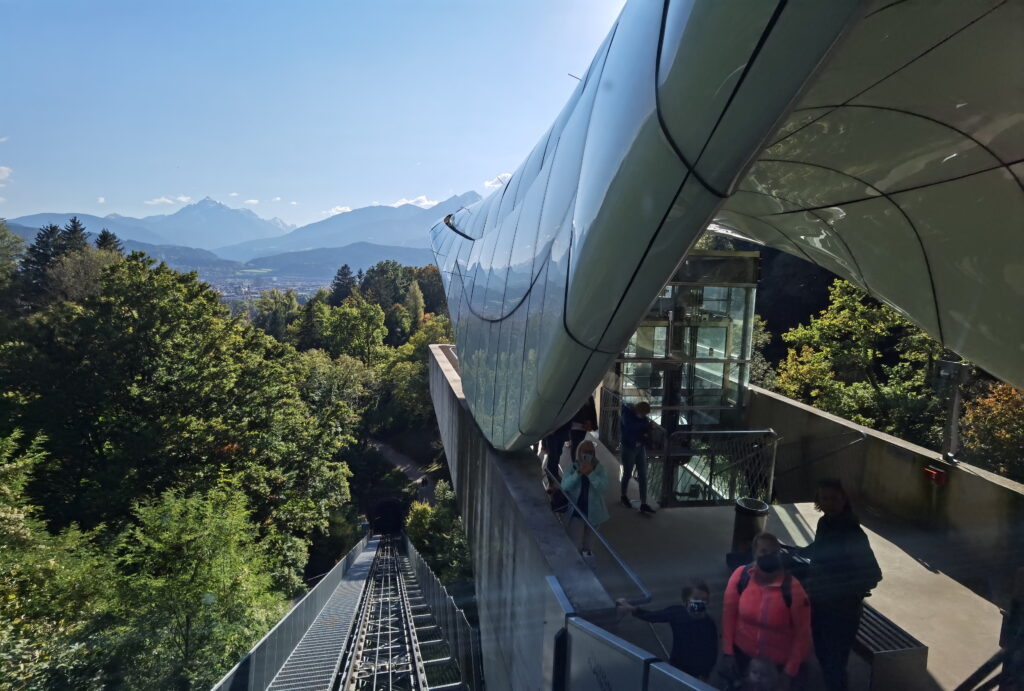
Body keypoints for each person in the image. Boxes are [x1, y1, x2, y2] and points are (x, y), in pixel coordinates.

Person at [801, 479, 882, 691]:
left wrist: (840, 588)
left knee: (834, 664)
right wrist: (797, 552)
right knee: (823, 655)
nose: (829, 503)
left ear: (844, 499)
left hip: (841, 612)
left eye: (834, 498)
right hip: (820, 604)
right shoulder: (825, 523)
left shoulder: (852, 533)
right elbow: (820, 548)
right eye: (824, 498)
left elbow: (873, 574)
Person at [722, 532, 812, 685]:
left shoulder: (792, 588)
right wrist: (728, 652)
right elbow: (729, 615)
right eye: (763, 551)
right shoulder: (740, 576)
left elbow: (802, 634)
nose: (768, 556)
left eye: (773, 552)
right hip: (743, 657)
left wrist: (789, 672)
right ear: (754, 553)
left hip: (777, 666)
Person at [617, 580, 718, 680]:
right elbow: (654, 616)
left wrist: (706, 673)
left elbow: (712, 649)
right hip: (678, 666)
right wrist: (631, 608)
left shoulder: (708, 623)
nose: (700, 603)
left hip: (697, 671)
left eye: (704, 600)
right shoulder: (677, 613)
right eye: (696, 598)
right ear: (685, 601)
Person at [559, 440, 609, 557]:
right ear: (579, 452)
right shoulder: (572, 468)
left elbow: (603, 487)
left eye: (591, 452)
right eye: (585, 451)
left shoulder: (600, 469)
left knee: (589, 547)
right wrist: (578, 473)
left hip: (595, 514)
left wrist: (591, 473)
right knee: (575, 544)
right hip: (577, 512)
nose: (588, 454)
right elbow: (565, 486)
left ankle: (588, 566)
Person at [619, 400, 656, 514]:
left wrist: (648, 428)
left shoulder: (641, 418)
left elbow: (641, 427)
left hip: (640, 447)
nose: (644, 416)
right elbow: (630, 427)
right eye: (643, 414)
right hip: (628, 447)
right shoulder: (626, 414)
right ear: (639, 410)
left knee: (643, 475)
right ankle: (623, 496)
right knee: (627, 473)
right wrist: (646, 425)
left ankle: (644, 503)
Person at [541, 421, 571, 512]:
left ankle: (554, 476)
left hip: (560, 431)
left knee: (557, 454)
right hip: (551, 431)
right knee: (553, 455)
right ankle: (551, 482)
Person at [568, 396, 598, 462]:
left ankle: (578, 463)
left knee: (579, 444)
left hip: (584, 426)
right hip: (574, 424)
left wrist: (593, 424)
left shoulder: (589, 396)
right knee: (575, 445)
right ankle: (575, 464)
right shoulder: (575, 394)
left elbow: (592, 410)